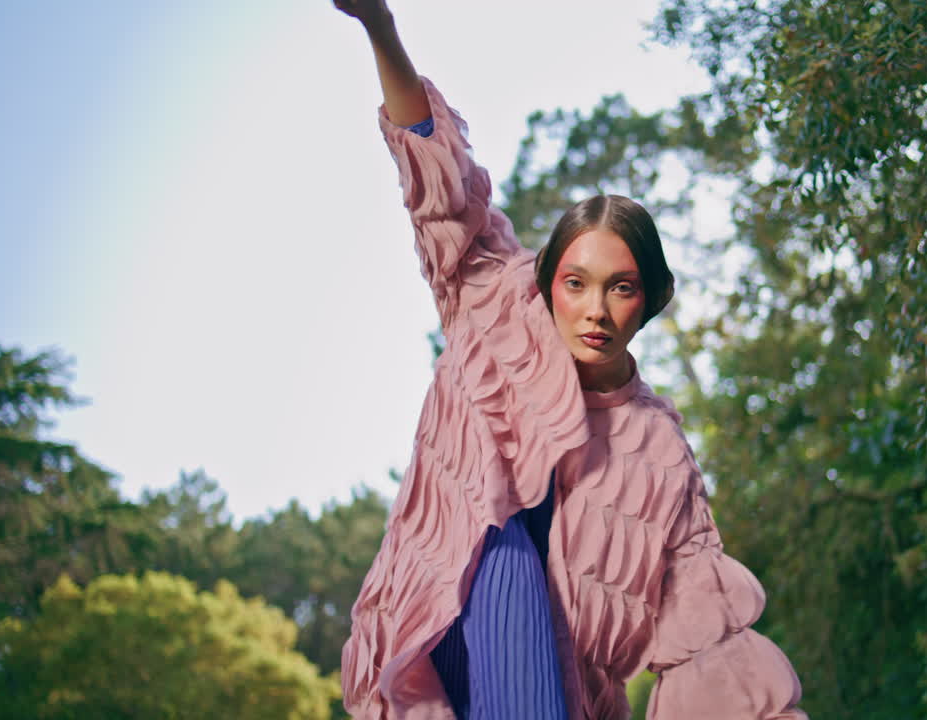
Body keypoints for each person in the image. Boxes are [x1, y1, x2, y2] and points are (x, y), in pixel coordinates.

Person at [332, 2, 806, 718]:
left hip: (553, 686)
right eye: (574, 284)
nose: (594, 310)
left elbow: (708, 635)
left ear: (651, 299)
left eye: (621, 288)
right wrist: (379, 27)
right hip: (437, 624)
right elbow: (439, 181)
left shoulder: (659, 452)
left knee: (529, 595)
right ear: (546, 281)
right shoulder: (489, 295)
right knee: (507, 554)